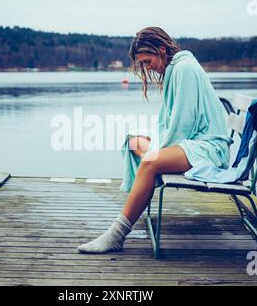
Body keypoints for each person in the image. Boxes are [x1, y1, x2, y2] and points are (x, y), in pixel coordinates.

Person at [77, 27, 232, 254]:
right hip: (192, 144)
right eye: (143, 64)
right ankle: (138, 199)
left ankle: (117, 234)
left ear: (161, 50)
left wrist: (158, 151)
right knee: (133, 142)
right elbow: (173, 123)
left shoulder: (184, 69)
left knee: (150, 161)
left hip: (209, 148)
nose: (148, 68)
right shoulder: (175, 68)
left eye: (148, 61)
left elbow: (182, 123)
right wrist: (157, 143)